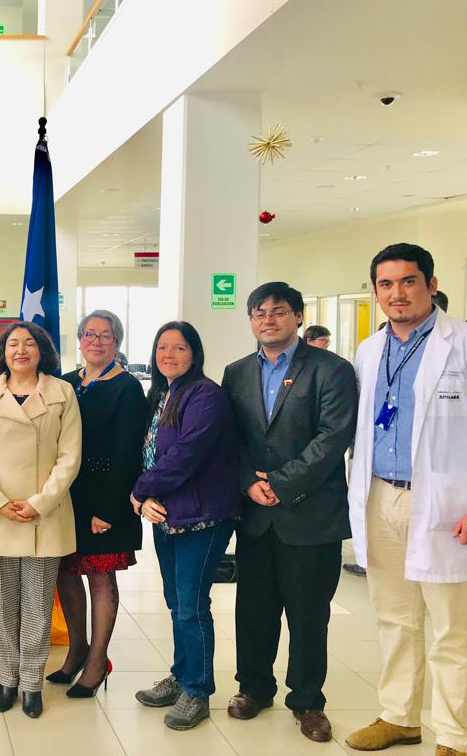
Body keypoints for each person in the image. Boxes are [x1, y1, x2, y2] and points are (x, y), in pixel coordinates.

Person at [221, 282, 358, 742]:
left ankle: (307, 701)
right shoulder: (236, 372)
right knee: (253, 610)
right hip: (256, 516)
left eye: (278, 311)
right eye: (259, 313)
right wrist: (249, 481)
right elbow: (230, 438)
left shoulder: (331, 369)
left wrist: (279, 484)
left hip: (311, 515)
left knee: (308, 615)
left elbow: (333, 437)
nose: (268, 320)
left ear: (298, 316)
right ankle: (254, 688)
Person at [345, 244, 467, 756]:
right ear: (376, 292)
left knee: (451, 628)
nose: (397, 293)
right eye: (386, 284)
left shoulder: (460, 342)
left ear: (431, 285)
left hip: (444, 503)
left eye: (409, 281)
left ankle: (456, 735)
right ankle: (400, 717)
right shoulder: (369, 350)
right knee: (395, 618)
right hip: (379, 496)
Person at [0, 322, 81, 718]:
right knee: (1, 604)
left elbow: (69, 456)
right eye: (13, 343)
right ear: (2, 352)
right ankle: (7, 679)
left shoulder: (62, 393)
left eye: (29, 343)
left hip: (43, 516)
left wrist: (39, 503)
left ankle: (31, 683)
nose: (21, 349)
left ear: (41, 350)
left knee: (37, 604)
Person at [130, 322, 240, 731]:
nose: (169, 355)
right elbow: (148, 453)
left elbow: (186, 454)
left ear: (194, 353)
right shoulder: (163, 393)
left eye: (179, 348)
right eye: (162, 347)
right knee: (177, 602)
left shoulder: (206, 395)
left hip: (203, 517)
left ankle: (197, 690)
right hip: (168, 514)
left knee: (192, 606)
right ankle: (181, 676)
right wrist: (146, 497)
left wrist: (140, 491)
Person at [50, 311, 146, 697]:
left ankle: (96, 662)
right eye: (89, 334)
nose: (96, 341)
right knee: (65, 572)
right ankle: (76, 650)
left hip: (107, 498)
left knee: (100, 577)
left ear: (117, 342)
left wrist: (106, 510)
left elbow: (127, 454)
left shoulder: (127, 388)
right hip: (66, 497)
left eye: (106, 335)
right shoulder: (66, 383)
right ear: (79, 339)